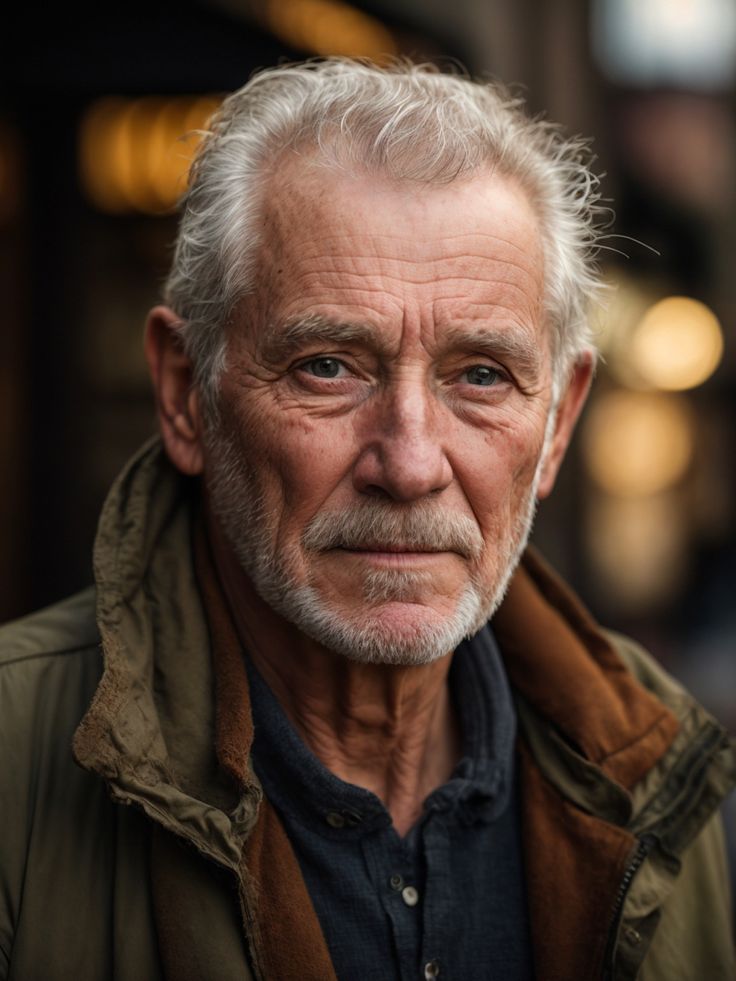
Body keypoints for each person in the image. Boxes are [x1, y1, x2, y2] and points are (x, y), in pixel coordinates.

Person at [0, 60, 733, 981]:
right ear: (187, 394)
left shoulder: (655, 764)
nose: (412, 463)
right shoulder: (12, 763)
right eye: (328, 366)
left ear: (557, 427)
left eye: (481, 376)